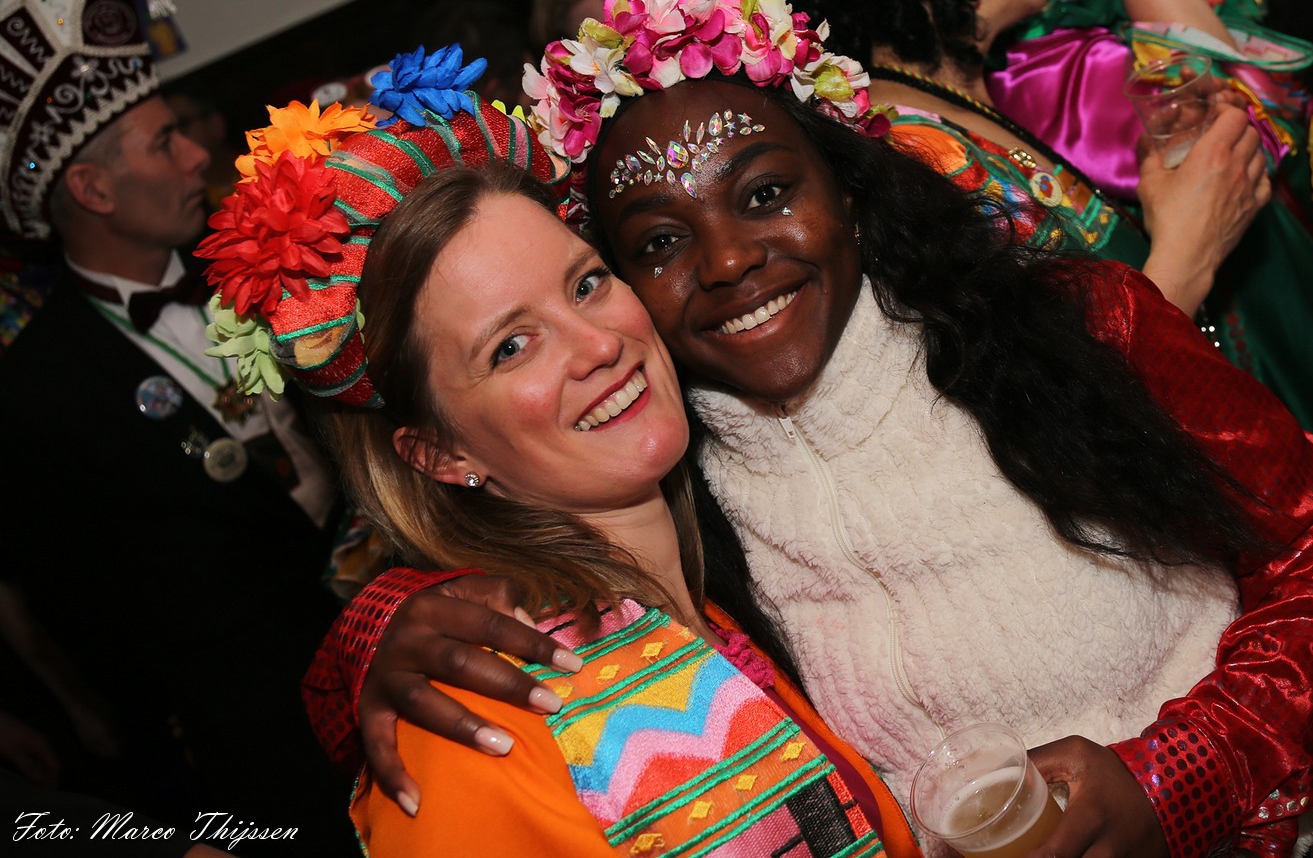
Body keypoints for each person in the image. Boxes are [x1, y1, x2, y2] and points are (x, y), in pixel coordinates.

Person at [308, 0, 1313, 858]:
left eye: (765, 194)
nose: (729, 260)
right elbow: (483, 591)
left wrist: (1177, 780)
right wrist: (376, 634)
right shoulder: (670, 478)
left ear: (847, 185)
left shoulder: (1076, 326)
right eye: (657, 243)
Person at [747, 0, 1313, 829]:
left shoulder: (974, 94)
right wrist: (1184, 255)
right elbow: (1022, 417)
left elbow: (1254, 156)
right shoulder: (909, 159)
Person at [198, 48, 920, 856]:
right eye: (511, 346)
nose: (599, 345)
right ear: (437, 453)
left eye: (585, 285)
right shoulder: (474, 719)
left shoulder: (703, 592)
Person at [0, 0, 349, 849]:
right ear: (93, 189)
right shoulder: (34, 394)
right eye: (164, 142)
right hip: (269, 758)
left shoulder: (261, 257)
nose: (199, 155)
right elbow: (90, 625)